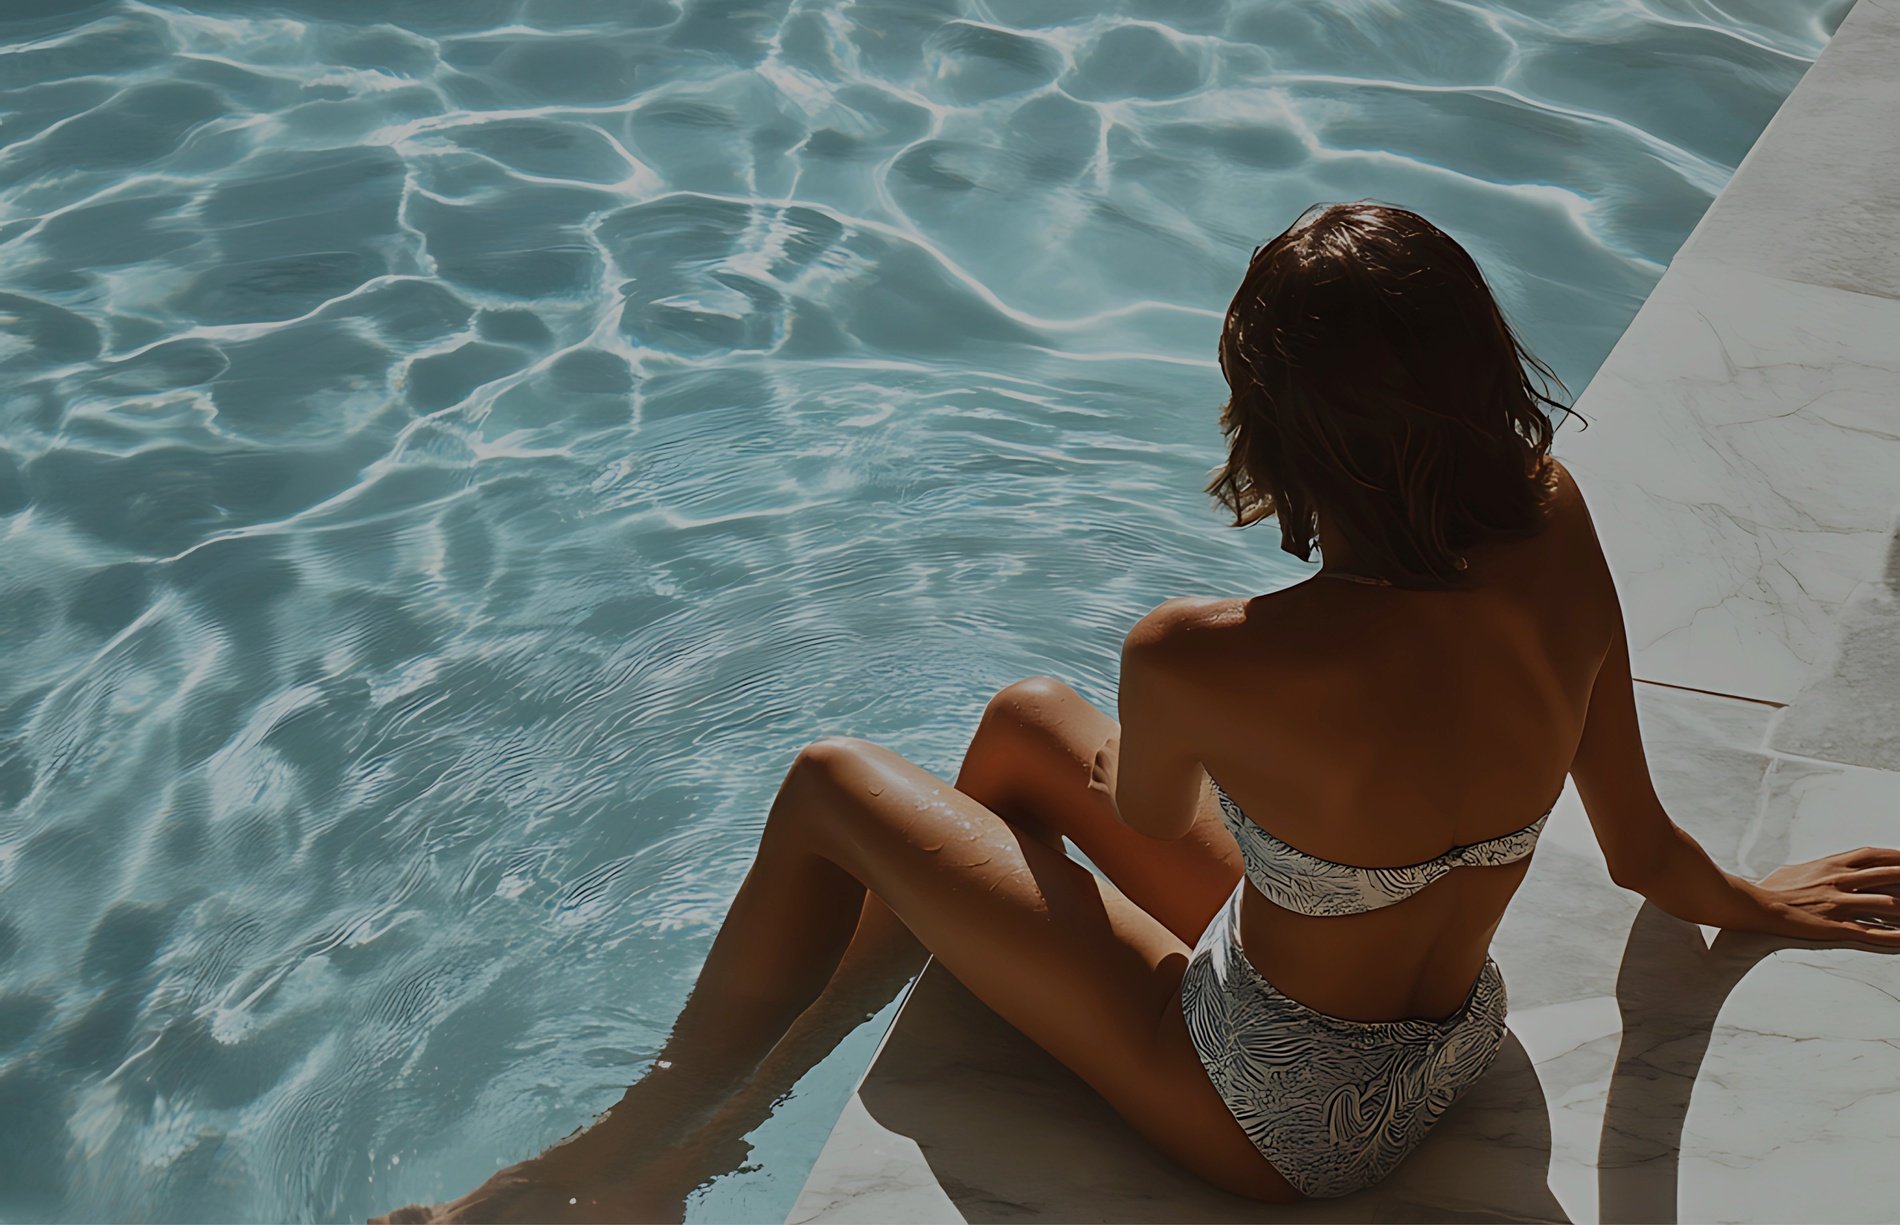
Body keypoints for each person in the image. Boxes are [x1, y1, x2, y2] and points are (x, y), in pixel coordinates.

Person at [375, 201, 1900, 1222]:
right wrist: (1747, 898)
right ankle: (802, 1042)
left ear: (1281, 422)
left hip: (1280, 1122)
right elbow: (1636, 843)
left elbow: (1163, 810)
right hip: (1450, 1043)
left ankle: (664, 1137)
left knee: (834, 779)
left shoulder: (1204, 651)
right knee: (1026, 718)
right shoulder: (1555, 518)